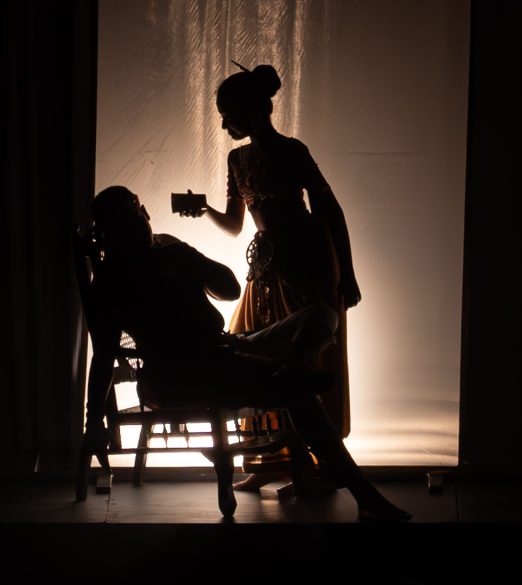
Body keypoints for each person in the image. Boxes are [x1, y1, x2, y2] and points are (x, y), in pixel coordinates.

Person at [84, 186, 407, 521]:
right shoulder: (109, 283)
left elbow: (230, 289)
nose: (145, 218)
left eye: (141, 211)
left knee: (322, 316)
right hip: (179, 374)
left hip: (227, 350)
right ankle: (362, 491)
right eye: (134, 215)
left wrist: (187, 256)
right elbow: (103, 357)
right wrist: (93, 420)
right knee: (297, 393)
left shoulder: (170, 249)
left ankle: (290, 368)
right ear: (112, 231)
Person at [178, 63, 359, 489]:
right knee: (258, 354)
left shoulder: (293, 152)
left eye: (229, 115)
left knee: (305, 357)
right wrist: (204, 210)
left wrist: (348, 274)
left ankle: (317, 464)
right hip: (265, 267)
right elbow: (235, 224)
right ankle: (275, 460)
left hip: (307, 264)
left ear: (253, 110)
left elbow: (330, 210)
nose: (224, 125)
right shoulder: (237, 159)